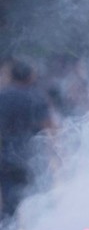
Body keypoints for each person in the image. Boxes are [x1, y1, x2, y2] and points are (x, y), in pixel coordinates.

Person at [0, 58, 56, 220]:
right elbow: (49, 128)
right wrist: (55, 155)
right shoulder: (37, 97)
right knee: (39, 202)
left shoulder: (2, 97)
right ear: (30, 76)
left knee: (10, 208)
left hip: (7, 160)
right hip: (33, 159)